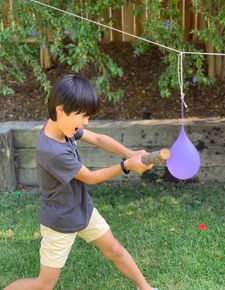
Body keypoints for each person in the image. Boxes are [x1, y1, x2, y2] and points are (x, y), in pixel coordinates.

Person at [4, 75, 159, 290]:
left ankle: (147, 288)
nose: (85, 122)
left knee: (114, 250)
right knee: (44, 284)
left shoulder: (64, 127)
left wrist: (129, 152)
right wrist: (127, 165)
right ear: (60, 110)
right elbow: (89, 177)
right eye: (82, 116)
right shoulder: (51, 150)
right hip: (60, 222)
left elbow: (96, 139)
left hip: (82, 210)